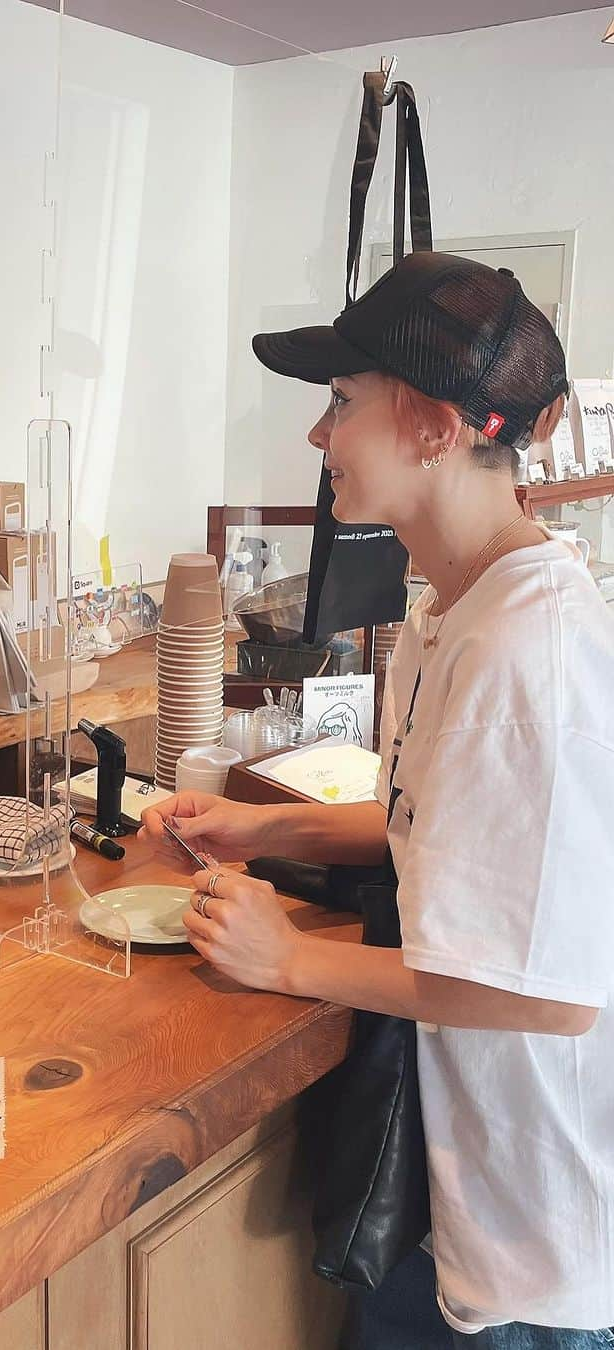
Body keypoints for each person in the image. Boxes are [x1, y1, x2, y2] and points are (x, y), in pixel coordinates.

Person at [142, 252, 614, 1346]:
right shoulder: (454, 605)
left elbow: (549, 992)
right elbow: (442, 825)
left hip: (533, 1260)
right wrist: (266, 826)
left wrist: (290, 960)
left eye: (342, 403)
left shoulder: (527, 654)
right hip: (454, 1209)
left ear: (438, 427)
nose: (319, 437)